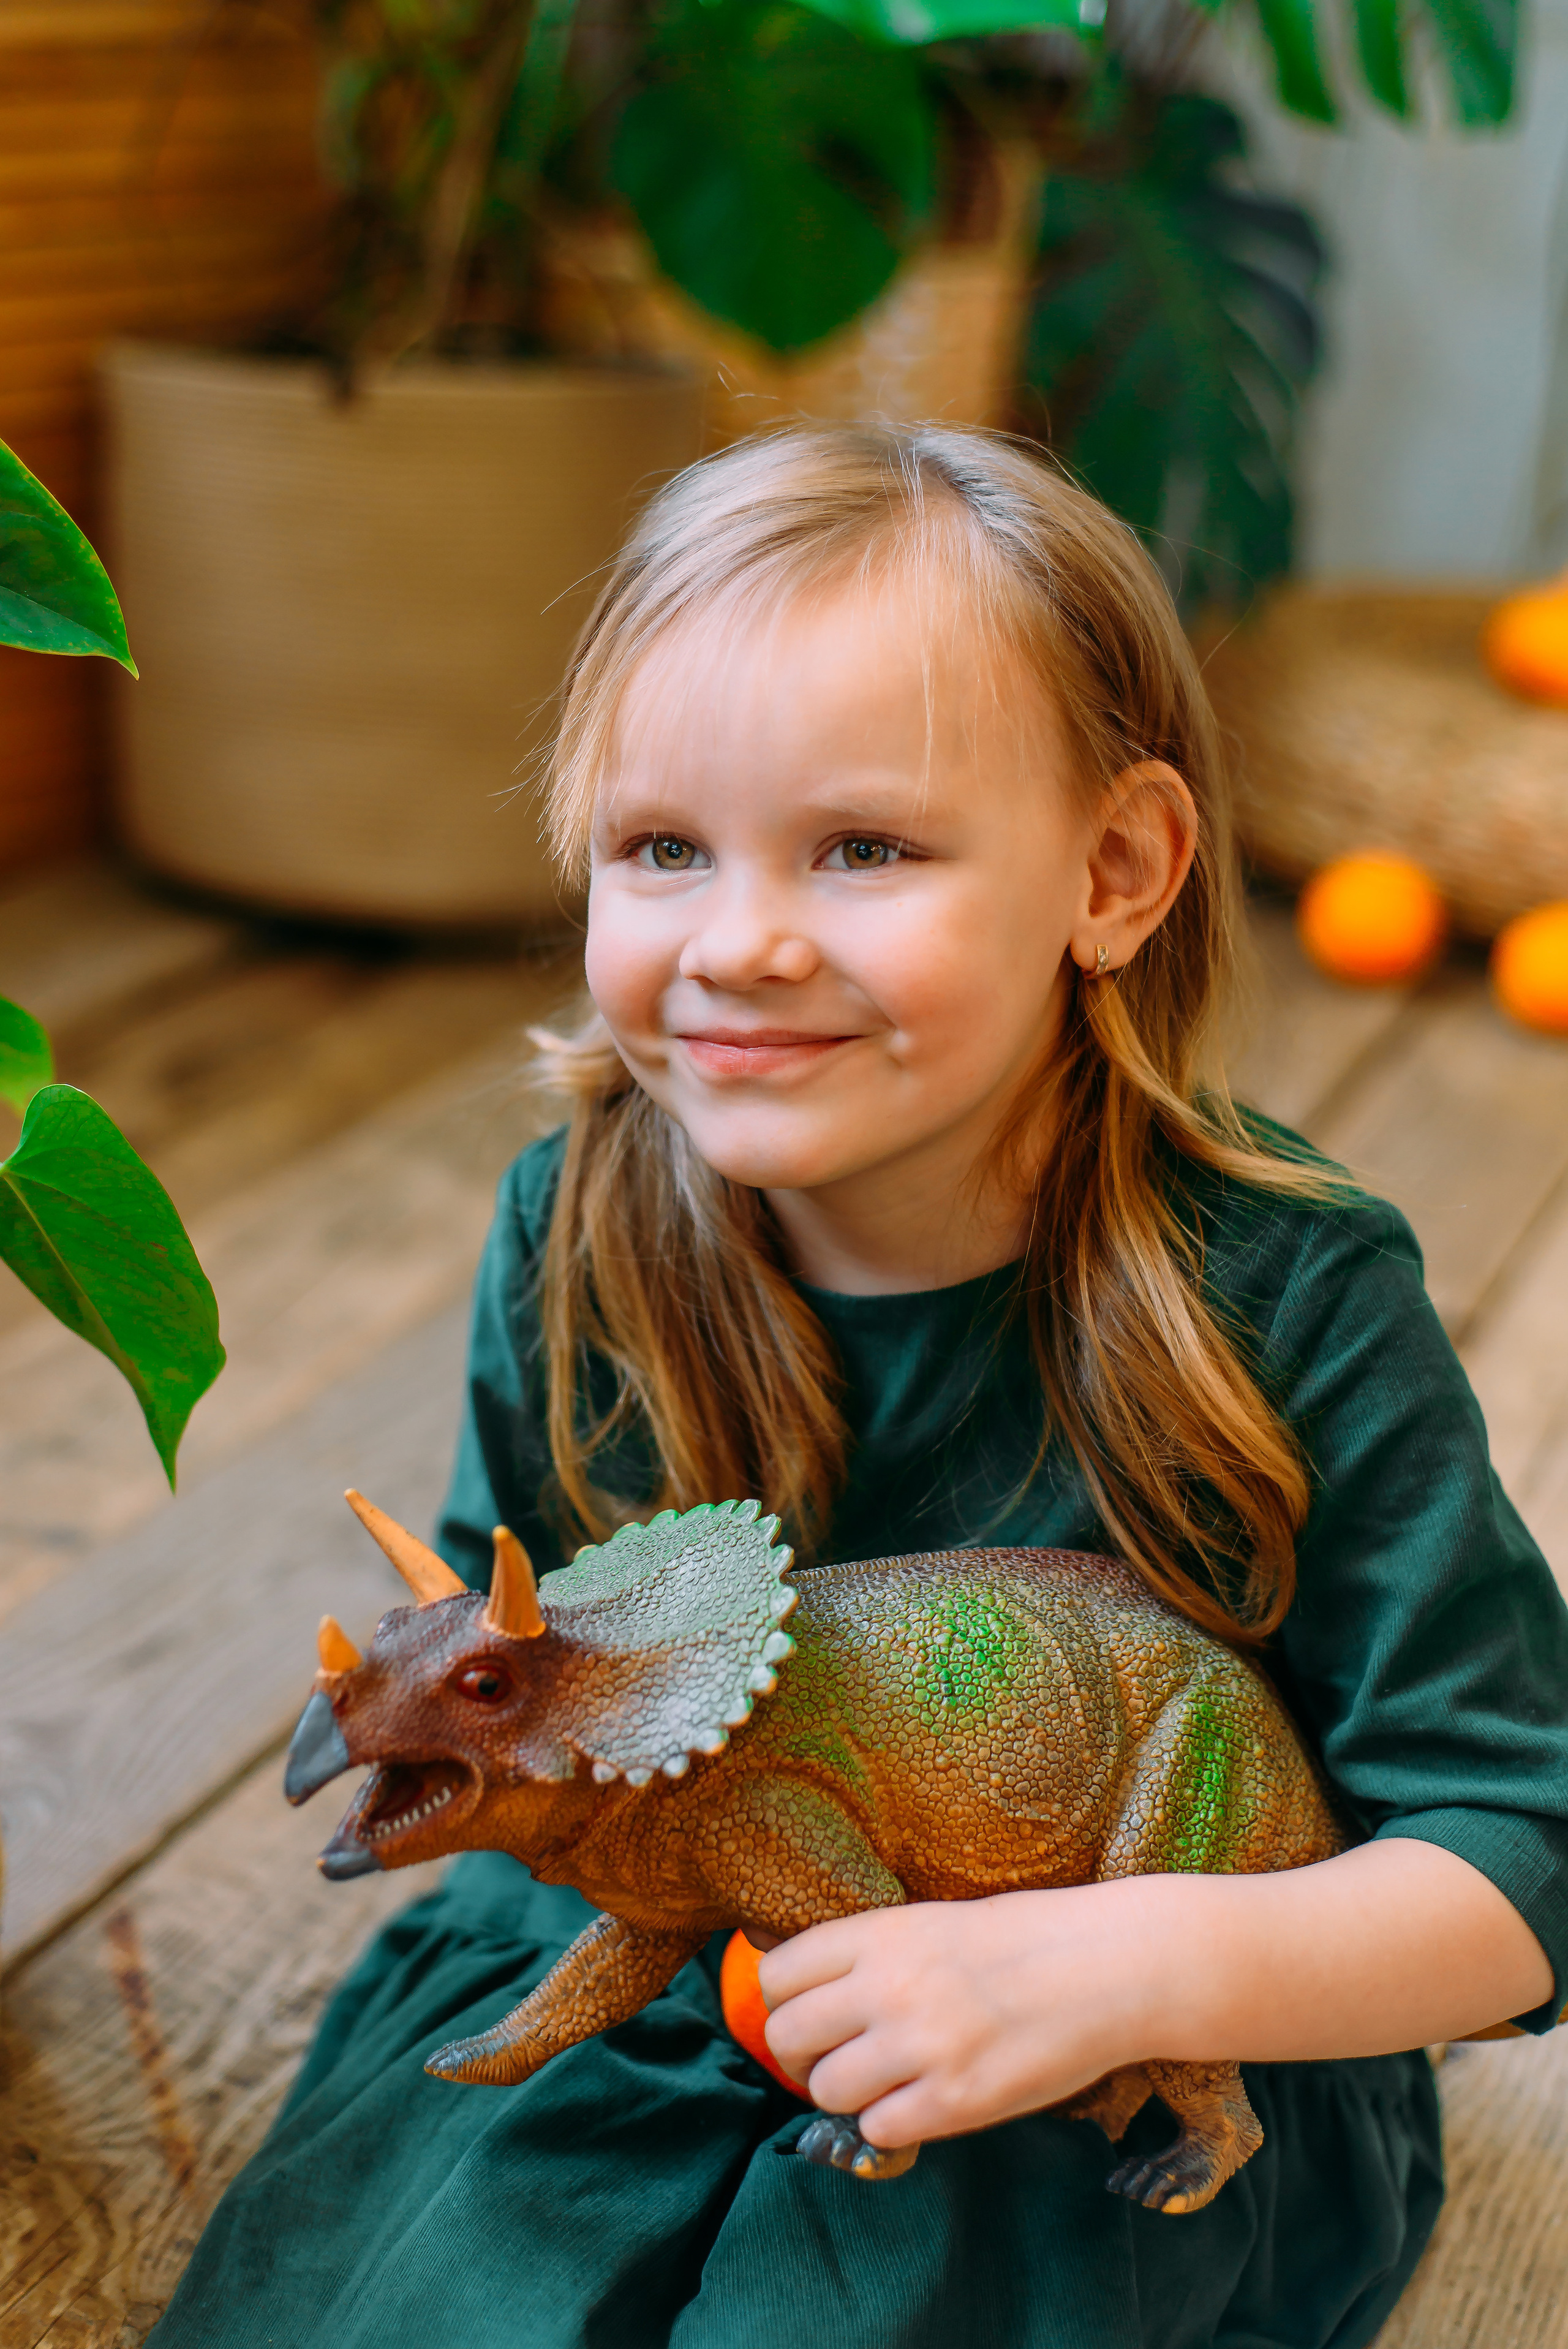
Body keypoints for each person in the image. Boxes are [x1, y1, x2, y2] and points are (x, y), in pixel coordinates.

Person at [150, 425, 1568, 2349]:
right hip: (659, 1952)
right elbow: (540, 1700)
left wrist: (1120, 1964)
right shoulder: (577, 1226)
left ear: (1116, 870)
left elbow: (1520, 1851)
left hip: (1114, 2035)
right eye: (662, 846)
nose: (738, 940)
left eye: (865, 845)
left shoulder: (1297, 1290)